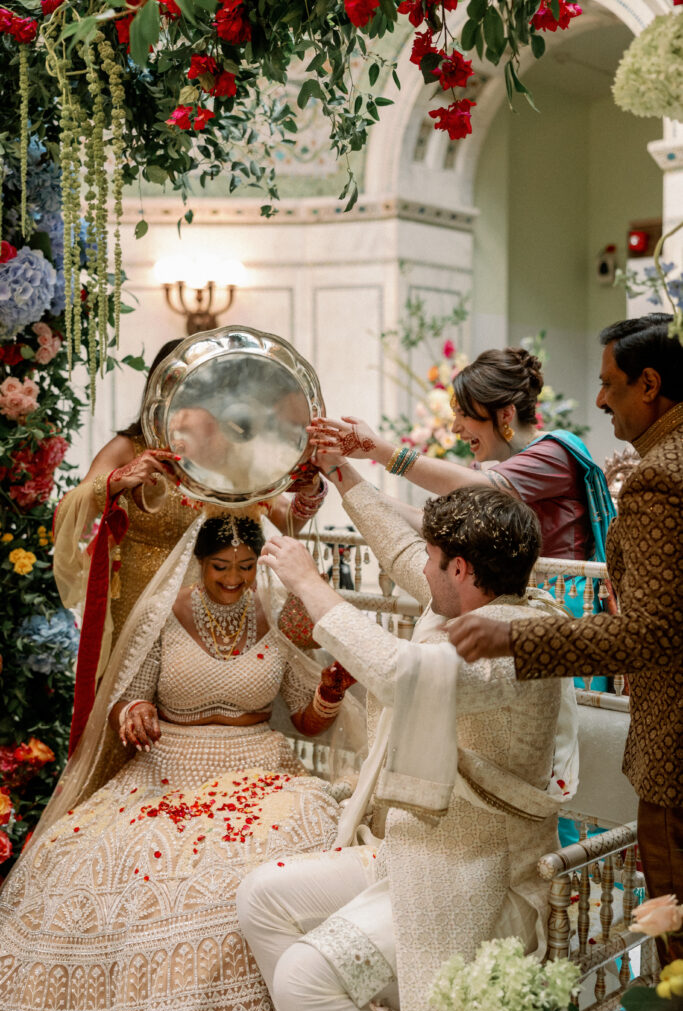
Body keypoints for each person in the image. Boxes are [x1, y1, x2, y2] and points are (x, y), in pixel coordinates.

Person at [0, 512, 361, 1011]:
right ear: (198, 563)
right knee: (122, 878)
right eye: (220, 567)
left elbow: (307, 722)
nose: (233, 578)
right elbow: (125, 696)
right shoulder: (164, 615)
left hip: (262, 774)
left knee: (253, 879)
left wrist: (328, 694)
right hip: (166, 774)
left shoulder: (276, 617)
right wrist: (134, 712)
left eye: (245, 566)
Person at [237, 486, 579, 1011]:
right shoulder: (471, 600)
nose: (420, 567)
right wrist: (343, 472)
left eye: (432, 559)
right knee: (262, 896)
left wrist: (309, 582)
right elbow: (400, 550)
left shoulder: (520, 643)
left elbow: (403, 674)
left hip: (478, 875)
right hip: (408, 848)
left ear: (461, 569)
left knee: (304, 975)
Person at [447, 314, 683, 958]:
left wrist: (515, 641)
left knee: (676, 946)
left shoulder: (661, 474)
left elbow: (653, 629)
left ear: (651, 384)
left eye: (610, 384)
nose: (600, 398)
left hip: (675, 748)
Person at [53, 337, 328, 752]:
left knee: (207, 705)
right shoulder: (132, 447)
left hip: (214, 597)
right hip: (138, 597)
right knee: (132, 709)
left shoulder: (229, 450)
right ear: (162, 391)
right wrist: (119, 480)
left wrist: (308, 490)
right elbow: (70, 510)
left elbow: (284, 517)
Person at [309, 346, 614, 564]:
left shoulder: (555, 452)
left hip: (564, 608)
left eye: (464, 415)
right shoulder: (507, 469)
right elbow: (429, 520)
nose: (455, 428)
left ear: (506, 414)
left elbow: (480, 490)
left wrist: (378, 448)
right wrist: (343, 474)